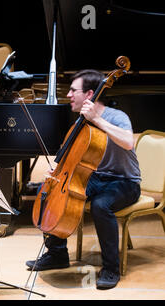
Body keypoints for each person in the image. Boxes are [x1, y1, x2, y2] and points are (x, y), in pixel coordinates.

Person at [25, 69, 141, 290]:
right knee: (50, 190)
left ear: (89, 94)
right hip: (96, 176)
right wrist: (56, 172)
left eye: (72, 90)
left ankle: (110, 269)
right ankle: (57, 253)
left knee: (100, 205)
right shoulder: (80, 123)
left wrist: (97, 119)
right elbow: (73, 158)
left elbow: (128, 142)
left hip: (125, 181)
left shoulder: (116, 117)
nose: (68, 95)